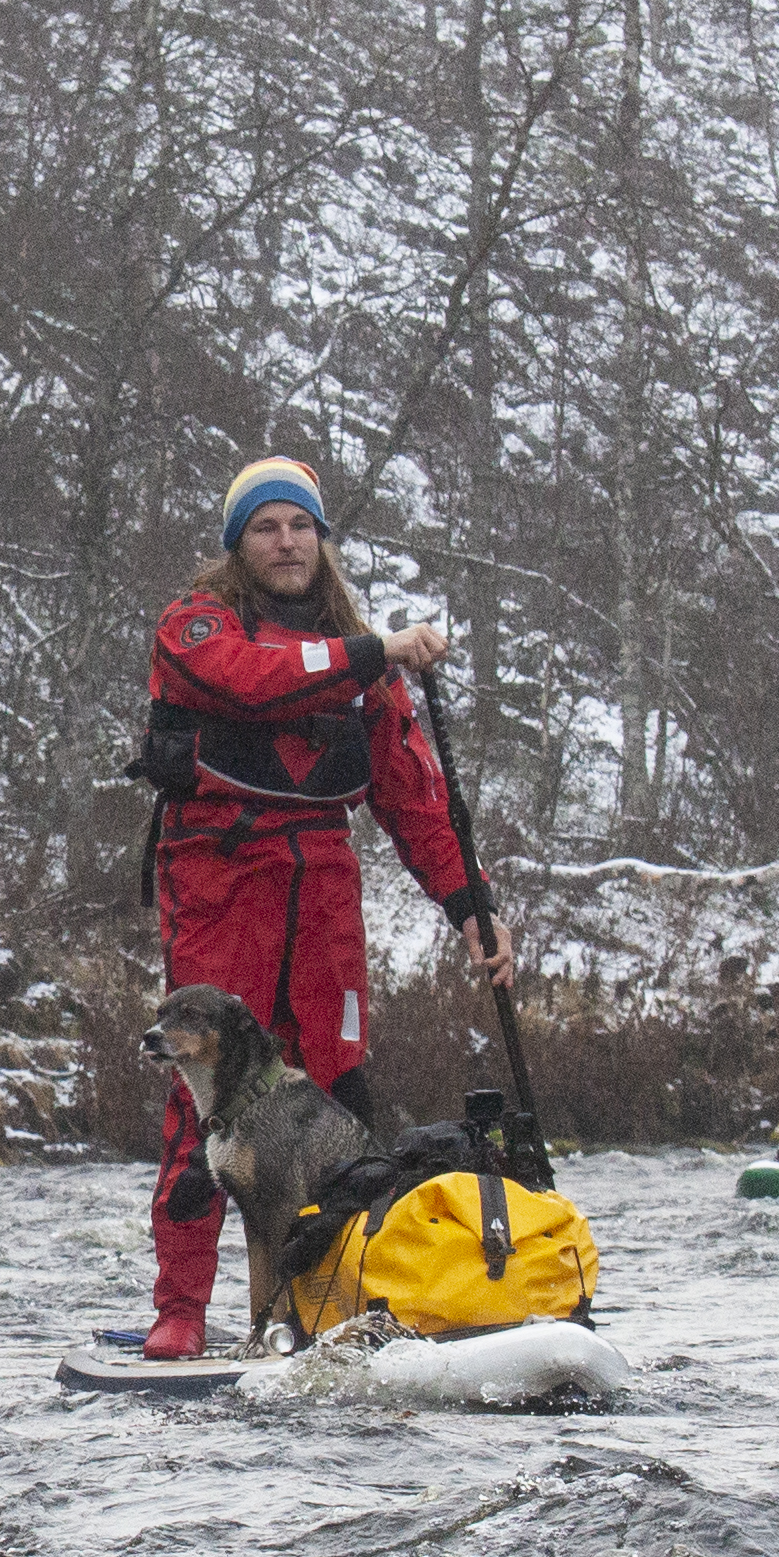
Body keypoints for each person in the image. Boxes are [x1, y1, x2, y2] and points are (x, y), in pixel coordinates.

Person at [135, 455, 510, 1358]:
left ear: (321, 541)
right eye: (264, 527)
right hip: (222, 882)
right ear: (238, 545)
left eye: (300, 525)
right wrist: (375, 649)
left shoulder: (361, 667)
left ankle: (328, 1301)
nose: (285, 541)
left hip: (323, 892)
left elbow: (416, 801)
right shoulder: (195, 626)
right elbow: (250, 678)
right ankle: (181, 1308)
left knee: (334, 1099)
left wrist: (471, 906)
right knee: (208, 1099)